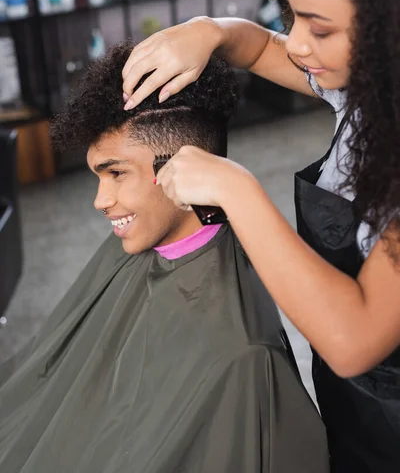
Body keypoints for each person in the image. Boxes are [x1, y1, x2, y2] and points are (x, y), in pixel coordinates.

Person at [121, 0, 400, 472]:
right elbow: (256, 49)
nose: (297, 44)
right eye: (290, 15)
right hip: (356, 410)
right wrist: (210, 31)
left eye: (319, 28)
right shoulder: (366, 91)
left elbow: (355, 337)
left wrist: (236, 189)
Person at [0, 41, 328, 473]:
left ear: (182, 169)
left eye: (116, 174)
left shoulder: (243, 357)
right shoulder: (136, 243)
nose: (100, 201)